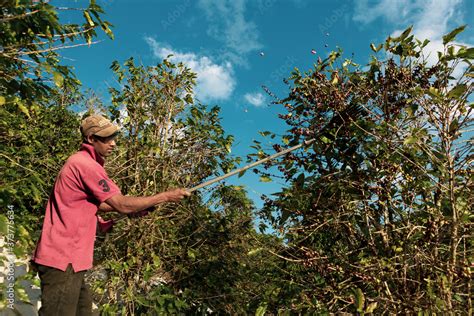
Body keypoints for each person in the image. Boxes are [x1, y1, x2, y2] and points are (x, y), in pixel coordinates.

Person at [31, 114, 190, 316]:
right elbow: (121, 203)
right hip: (63, 259)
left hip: (72, 260)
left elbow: (98, 204)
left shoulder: (80, 162)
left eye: (114, 137)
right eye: (107, 139)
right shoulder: (86, 165)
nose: (114, 144)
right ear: (91, 139)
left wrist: (137, 208)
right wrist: (165, 197)